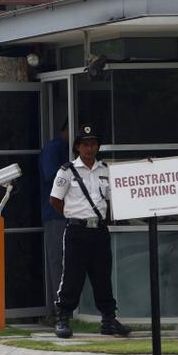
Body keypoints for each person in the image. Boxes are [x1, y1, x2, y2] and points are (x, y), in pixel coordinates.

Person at [49, 123, 130, 339]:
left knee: (102, 276)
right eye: (85, 144)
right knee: (72, 276)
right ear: (77, 147)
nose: (89, 149)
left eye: (93, 144)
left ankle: (108, 319)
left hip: (99, 230)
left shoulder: (104, 170)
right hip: (77, 230)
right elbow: (55, 200)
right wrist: (72, 215)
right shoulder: (67, 171)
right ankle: (63, 317)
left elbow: (112, 198)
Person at [39, 120, 69, 317]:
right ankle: (58, 310)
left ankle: (68, 308)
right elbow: (52, 177)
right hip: (55, 214)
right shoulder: (54, 148)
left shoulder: (70, 150)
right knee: (57, 260)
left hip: (73, 213)